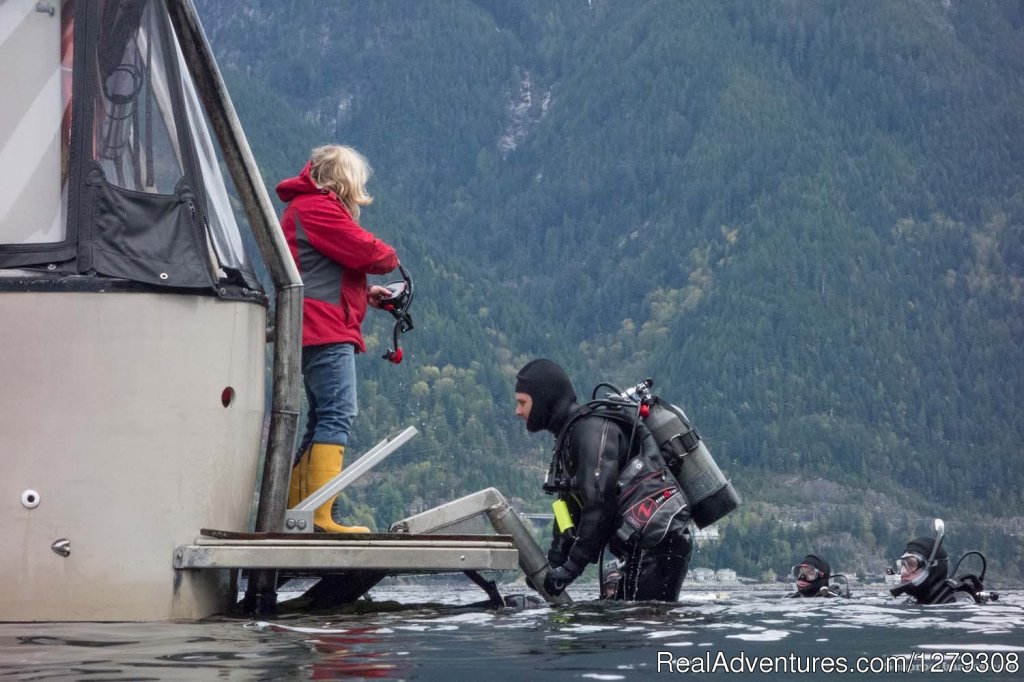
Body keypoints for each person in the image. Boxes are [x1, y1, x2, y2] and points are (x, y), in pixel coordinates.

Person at [277, 144, 399, 533]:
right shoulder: (318, 208)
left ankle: (298, 515)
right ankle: (318, 517)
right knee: (337, 413)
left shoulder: (304, 208)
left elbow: (318, 274)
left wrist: (366, 295)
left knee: (320, 419)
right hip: (324, 329)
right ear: (342, 178)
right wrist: (389, 257)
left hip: (311, 324)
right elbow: (370, 254)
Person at [513, 358, 692, 601]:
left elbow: (599, 504)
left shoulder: (591, 431)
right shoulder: (569, 436)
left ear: (544, 398)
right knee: (625, 623)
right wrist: (553, 563)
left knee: (643, 625)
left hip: (661, 544)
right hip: (640, 547)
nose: (518, 411)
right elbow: (567, 507)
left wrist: (571, 568)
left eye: (522, 402)